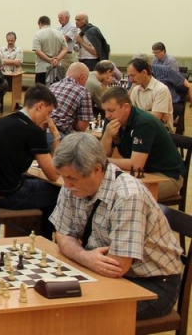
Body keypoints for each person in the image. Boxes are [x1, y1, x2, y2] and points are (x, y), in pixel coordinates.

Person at [50, 132, 183, 321]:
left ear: (97, 170)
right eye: (64, 177)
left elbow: (117, 266)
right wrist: (85, 257)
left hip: (151, 284)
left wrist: (78, 253)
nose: (66, 184)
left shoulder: (128, 195)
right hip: (103, 272)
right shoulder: (71, 185)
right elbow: (62, 235)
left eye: (72, 178)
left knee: (74, 316)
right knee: (52, 301)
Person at [0, 84, 62, 238]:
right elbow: (53, 174)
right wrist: (56, 135)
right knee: (59, 192)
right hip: (8, 196)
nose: (48, 118)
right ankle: (43, 239)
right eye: (48, 112)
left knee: (35, 182)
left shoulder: (2, 121)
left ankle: (34, 234)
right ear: (39, 106)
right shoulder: (33, 131)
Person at [100, 87, 184, 200]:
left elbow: (136, 165)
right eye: (105, 110)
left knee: (127, 196)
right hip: (139, 173)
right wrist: (107, 135)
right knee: (99, 187)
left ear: (126, 107)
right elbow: (103, 154)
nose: (107, 115)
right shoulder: (111, 120)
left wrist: (104, 161)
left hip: (167, 176)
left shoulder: (143, 123)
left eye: (111, 110)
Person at [48, 62, 94, 143]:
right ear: (82, 78)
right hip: (61, 136)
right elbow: (81, 128)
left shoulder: (52, 86)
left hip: (42, 131)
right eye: (86, 80)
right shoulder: (83, 91)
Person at [127, 58, 174, 132]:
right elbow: (129, 113)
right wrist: (149, 112)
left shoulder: (161, 89)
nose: (130, 80)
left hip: (160, 131)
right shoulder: (135, 90)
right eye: (129, 76)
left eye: (133, 75)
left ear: (144, 72)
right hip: (140, 127)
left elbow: (154, 119)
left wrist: (136, 113)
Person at [32, 15, 67, 85]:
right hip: (56, 67)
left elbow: (37, 51)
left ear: (40, 23)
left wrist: (49, 60)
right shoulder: (60, 34)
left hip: (42, 68)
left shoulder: (38, 34)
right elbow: (65, 49)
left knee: (41, 90)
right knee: (55, 89)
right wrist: (57, 59)